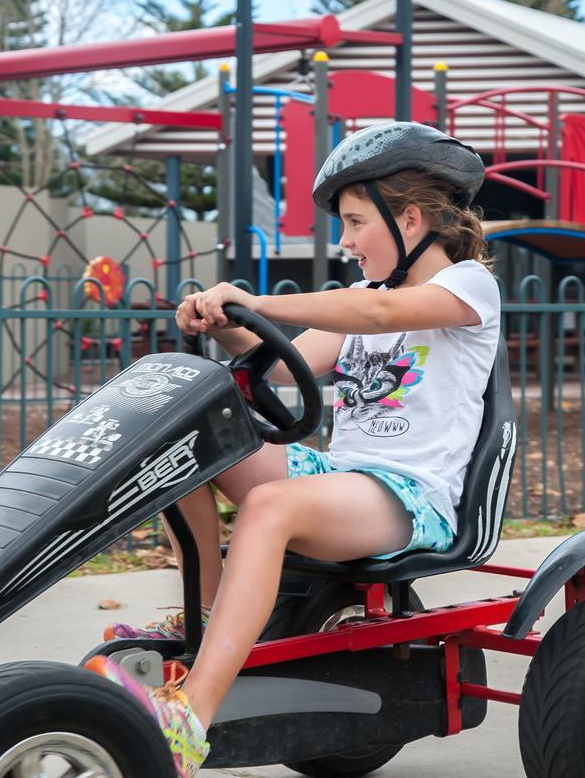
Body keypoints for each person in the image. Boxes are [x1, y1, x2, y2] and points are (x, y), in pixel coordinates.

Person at [88, 123, 502, 777]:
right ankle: (204, 617)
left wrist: (257, 299)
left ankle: (191, 716)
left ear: (412, 219)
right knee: (184, 444)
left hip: (412, 494)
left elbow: (378, 318)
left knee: (271, 508)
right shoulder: (366, 296)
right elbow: (283, 367)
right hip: (345, 478)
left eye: (356, 222)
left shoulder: (467, 287)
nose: (344, 242)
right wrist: (228, 325)